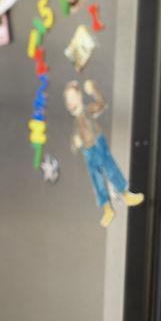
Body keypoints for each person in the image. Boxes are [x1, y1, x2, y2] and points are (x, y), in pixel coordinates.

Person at [64, 79, 144, 227]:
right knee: (97, 182)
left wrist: (94, 89)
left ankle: (127, 196)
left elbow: (101, 104)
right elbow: (74, 143)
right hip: (87, 153)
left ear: (79, 97)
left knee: (111, 170)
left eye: (72, 98)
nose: (70, 102)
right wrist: (75, 144)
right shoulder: (75, 124)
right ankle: (108, 209)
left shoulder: (88, 111)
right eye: (68, 99)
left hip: (98, 145)